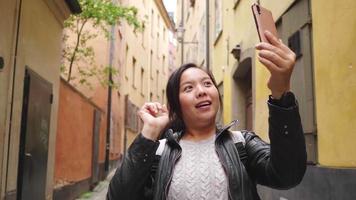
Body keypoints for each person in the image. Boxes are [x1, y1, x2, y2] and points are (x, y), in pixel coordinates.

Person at [107, 30, 307, 200]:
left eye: (207, 83)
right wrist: (150, 131)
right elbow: (118, 196)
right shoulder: (159, 152)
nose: (201, 91)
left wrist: (281, 94)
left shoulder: (241, 144)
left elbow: (288, 175)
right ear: (176, 104)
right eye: (188, 88)